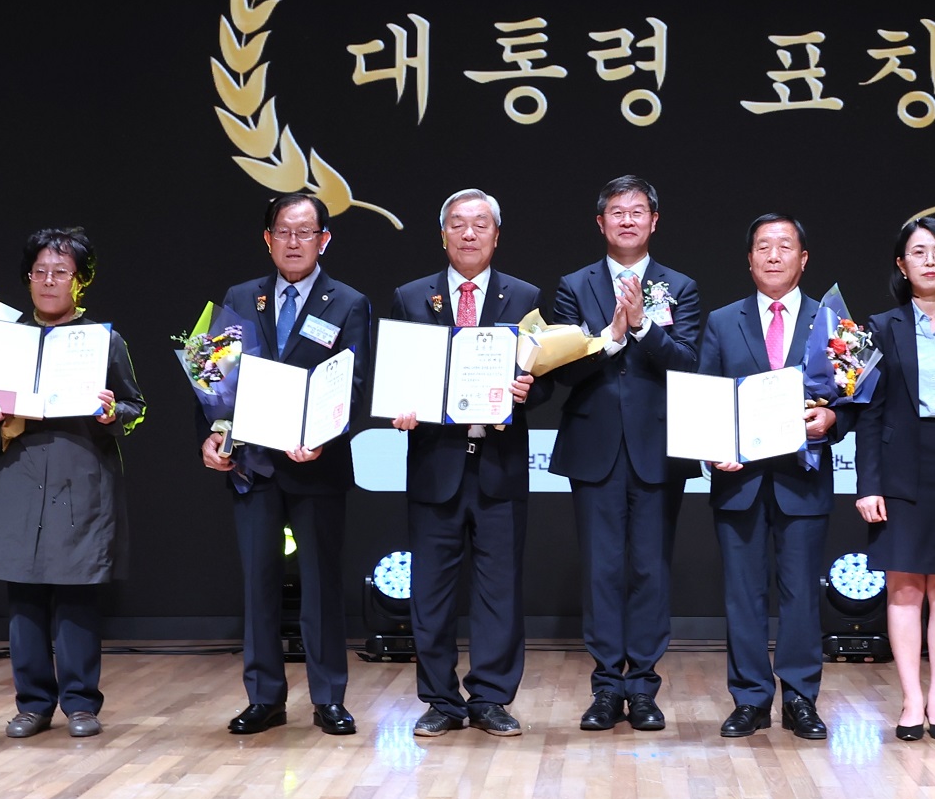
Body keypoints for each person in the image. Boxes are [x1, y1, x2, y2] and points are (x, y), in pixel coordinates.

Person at [200, 193, 371, 736]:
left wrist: (322, 435)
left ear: (324, 240)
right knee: (259, 586)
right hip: (254, 465)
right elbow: (217, 377)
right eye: (283, 232)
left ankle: (329, 698)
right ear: (267, 238)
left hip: (316, 465)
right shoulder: (240, 297)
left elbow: (354, 384)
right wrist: (216, 434)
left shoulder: (348, 302)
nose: (293, 242)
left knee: (321, 587)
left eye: (305, 232)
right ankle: (265, 697)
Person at [0, 227, 144, 740]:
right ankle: (33, 704)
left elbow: (135, 407)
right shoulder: (6, 339)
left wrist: (112, 412)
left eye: (60, 272)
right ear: (28, 278)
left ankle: (81, 703)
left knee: (76, 594)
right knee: (22, 593)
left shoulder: (103, 340)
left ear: (79, 281)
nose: (48, 281)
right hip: (20, 474)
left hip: (80, 474)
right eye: (40, 271)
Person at [386, 189, 548, 738]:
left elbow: (546, 380)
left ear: (496, 236)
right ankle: (440, 700)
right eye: (458, 224)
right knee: (430, 592)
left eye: (481, 224)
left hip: (500, 464)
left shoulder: (525, 297)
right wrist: (399, 407)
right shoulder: (412, 297)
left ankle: (491, 699)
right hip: (435, 464)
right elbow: (397, 374)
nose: (469, 233)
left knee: (499, 590)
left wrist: (528, 389)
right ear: (443, 235)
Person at [548, 175, 702, 732]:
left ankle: (643, 688)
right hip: (594, 447)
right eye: (617, 211)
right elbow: (561, 370)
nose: (628, 220)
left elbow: (688, 362)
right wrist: (611, 338)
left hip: (659, 447)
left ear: (654, 221)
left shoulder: (679, 286)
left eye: (638, 211)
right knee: (602, 569)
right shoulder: (574, 286)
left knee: (649, 569)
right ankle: (606, 687)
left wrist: (642, 328)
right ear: (601, 223)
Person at [696, 214, 839, 741]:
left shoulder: (830, 321)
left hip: (803, 480)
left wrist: (832, 418)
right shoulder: (722, 321)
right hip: (740, 483)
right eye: (763, 246)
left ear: (804, 259)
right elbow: (707, 396)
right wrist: (713, 448)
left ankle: (800, 699)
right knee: (743, 595)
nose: (773, 255)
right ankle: (750, 699)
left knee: (801, 594)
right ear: (750, 259)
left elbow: (849, 400)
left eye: (784, 246)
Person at [855, 216, 935, 743]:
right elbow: (869, 413)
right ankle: (910, 700)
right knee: (904, 588)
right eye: (919, 252)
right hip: (900, 463)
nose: (929, 261)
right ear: (902, 265)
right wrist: (868, 484)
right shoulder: (881, 327)